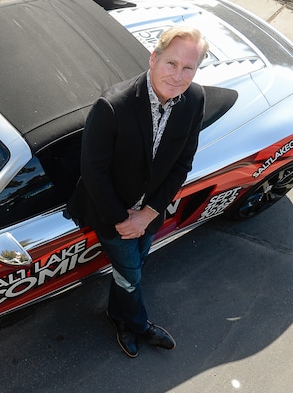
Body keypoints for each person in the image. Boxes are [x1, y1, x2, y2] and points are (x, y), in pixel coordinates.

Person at [67, 26, 209, 358]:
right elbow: (93, 172)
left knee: (130, 270)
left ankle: (117, 316)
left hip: (150, 213)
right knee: (131, 275)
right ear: (154, 58)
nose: (178, 76)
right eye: (171, 63)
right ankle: (139, 325)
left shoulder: (195, 99)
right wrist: (123, 220)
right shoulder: (112, 105)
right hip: (110, 213)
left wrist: (148, 214)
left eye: (188, 68)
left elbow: (182, 163)